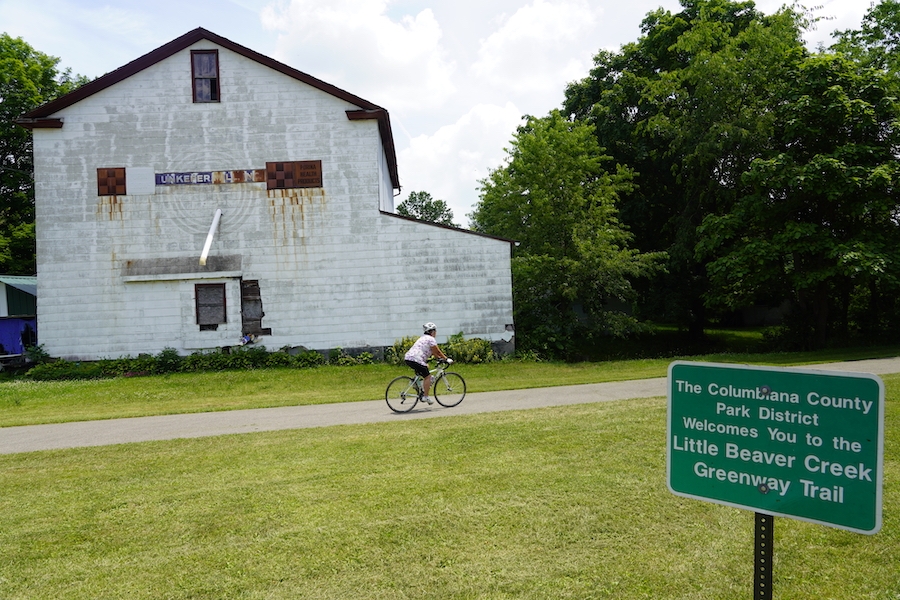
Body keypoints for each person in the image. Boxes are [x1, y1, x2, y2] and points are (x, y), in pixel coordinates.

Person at [404, 322, 452, 405]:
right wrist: (446, 359)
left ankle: (416, 384)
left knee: (424, 369)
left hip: (409, 358)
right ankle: (425, 397)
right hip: (416, 359)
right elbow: (437, 351)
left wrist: (439, 358)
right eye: (435, 331)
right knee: (428, 377)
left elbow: (434, 353)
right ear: (432, 331)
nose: (436, 333)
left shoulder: (423, 338)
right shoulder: (431, 339)